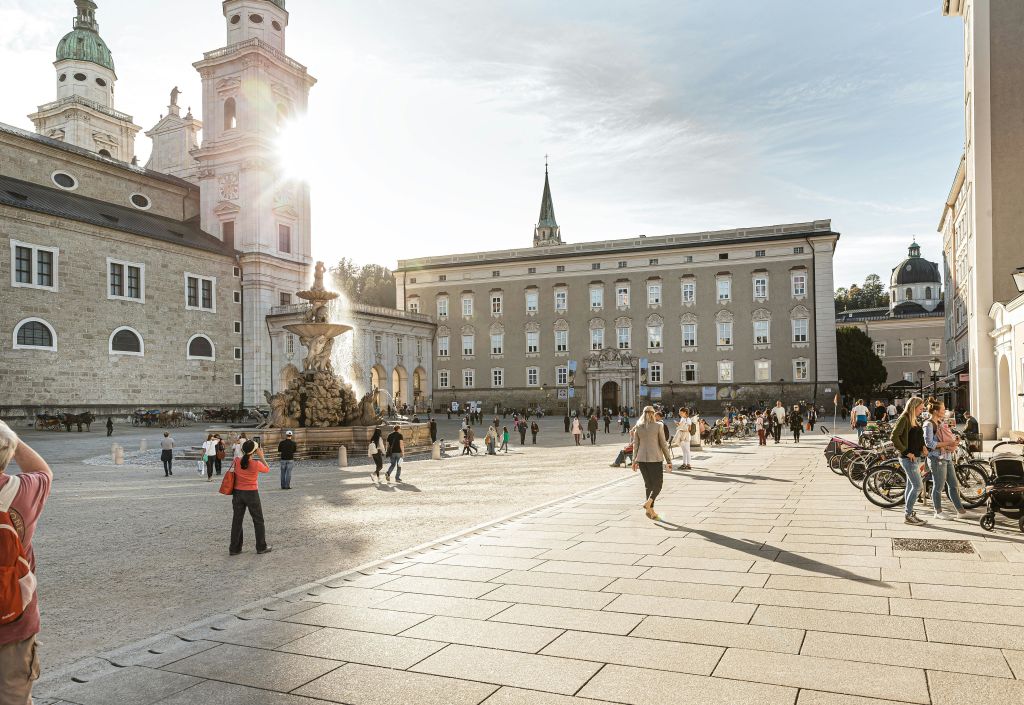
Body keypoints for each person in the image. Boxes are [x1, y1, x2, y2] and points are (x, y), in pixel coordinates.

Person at [0, 421, 52, 705]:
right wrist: (11, 437)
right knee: (14, 697)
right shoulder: (22, 490)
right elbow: (44, 471)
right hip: (14, 614)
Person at [924, 399, 967, 520]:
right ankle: (938, 511)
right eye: (943, 409)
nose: (944, 411)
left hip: (946, 457)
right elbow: (929, 444)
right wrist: (949, 443)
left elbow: (945, 437)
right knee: (938, 487)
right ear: (936, 411)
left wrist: (954, 439)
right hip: (936, 458)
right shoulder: (928, 424)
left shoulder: (941, 422)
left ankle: (961, 512)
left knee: (953, 485)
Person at [890, 396, 927, 526]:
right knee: (918, 486)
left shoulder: (914, 419)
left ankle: (909, 513)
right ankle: (908, 514)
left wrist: (923, 447)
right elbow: (894, 437)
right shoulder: (904, 418)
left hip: (915, 457)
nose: (921, 411)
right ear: (914, 407)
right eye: (920, 408)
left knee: (911, 486)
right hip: (907, 458)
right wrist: (906, 451)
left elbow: (918, 436)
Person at [229, 440, 271, 555]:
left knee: (237, 520)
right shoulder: (256, 464)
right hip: (251, 493)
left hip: (237, 493)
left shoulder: (236, 461)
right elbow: (267, 469)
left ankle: (234, 548)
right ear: (254, 451)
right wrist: (261, 456)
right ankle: (261, 547)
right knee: (258, 520)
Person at [632, 406, 672, 520]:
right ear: (653, 414)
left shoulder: (638, 427)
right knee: (658, 484)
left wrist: (634, 460)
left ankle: (650, 510)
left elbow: (636, 445)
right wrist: (668, 460)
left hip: (641, 459)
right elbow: (663, 444)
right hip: (655, 458)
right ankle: (648, 503)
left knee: (648, 485)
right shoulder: (659, 426)